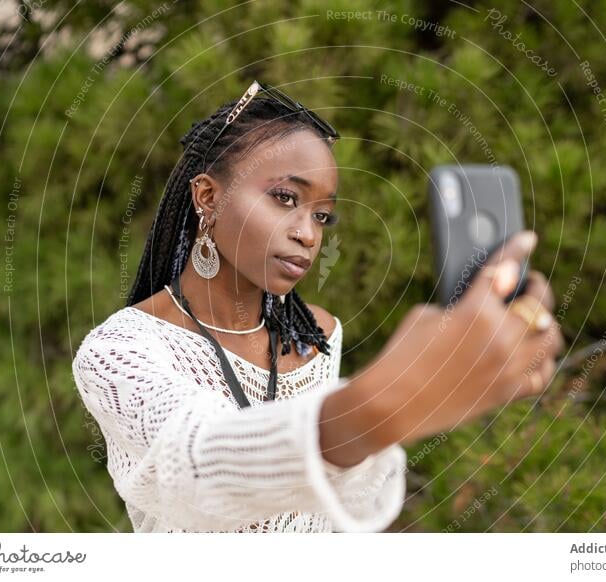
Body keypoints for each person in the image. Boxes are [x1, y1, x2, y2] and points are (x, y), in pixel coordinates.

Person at [71, 80, 563, 533]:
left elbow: (335, 503)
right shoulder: (120, 350)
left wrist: (433, 397)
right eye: (285, 198)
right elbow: (198, 468)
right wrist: (389, 396)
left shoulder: (318, 336)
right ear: (207, 197)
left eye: (322, 215)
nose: (308, 233)